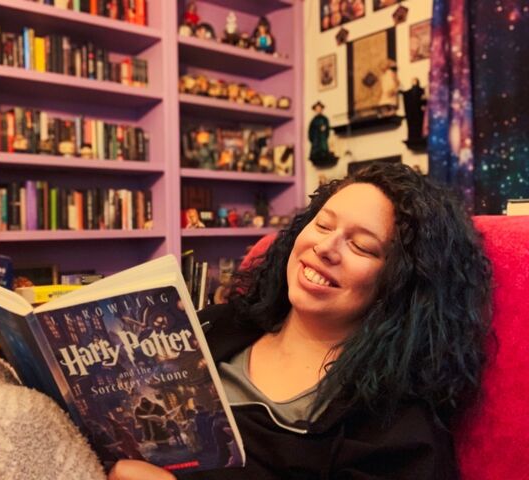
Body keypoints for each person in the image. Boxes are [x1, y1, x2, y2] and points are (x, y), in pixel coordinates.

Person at [109, 163, 492, 480]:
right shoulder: (213, 327)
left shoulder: (396, 426)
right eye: (323, 225)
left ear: (401, 283)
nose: (325, 248)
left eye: (361, 246)